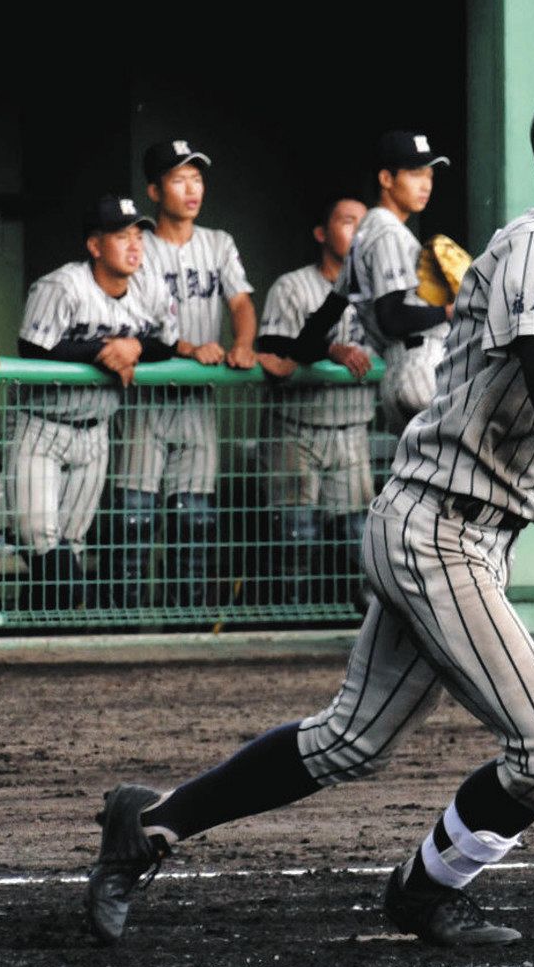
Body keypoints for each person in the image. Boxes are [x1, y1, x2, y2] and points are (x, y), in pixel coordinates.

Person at [83, 69, 534, 949]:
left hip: (475, 533)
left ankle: (149, 824)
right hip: (434, 525)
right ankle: (427, 889)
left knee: (349, 743)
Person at [7, 195, 176, 612]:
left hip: (96, 430)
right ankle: (69, 615)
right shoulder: (63, 285)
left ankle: (45, 638)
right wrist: (102, 350)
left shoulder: (150, 287)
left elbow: (167, 342)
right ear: (95, 246)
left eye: (139, 235)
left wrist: (133, 345)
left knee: (72, 546)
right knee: (42, 540)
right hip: (42, 426)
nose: (135, 245)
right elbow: (32, 347)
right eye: (122, 236)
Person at [113, 140, 257, 610]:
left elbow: (239, 302)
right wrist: (189, 348)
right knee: (133, 521)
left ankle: (186, 622)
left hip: (197, 403)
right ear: (155, 190)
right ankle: (125, 620)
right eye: (179, 179)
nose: (191, 188)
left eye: (196, 178)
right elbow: (133, 318)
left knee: (193, 521)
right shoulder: (140, 245)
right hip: (145, 403)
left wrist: (242, 344)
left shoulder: (219, 243)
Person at [254, 196, 377, 608]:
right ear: (322, 233)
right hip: (296, 428)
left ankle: (357, 631)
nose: (357, 232)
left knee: (357, 541)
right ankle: (291, 624)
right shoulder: (292, 287)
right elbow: (272, 347)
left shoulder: (380, 294)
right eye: (346, 222)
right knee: (294, 538)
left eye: (363, 224)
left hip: (352, 428)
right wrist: (331, 350)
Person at [343, 130, 453, 435]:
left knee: (421, 478)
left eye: (429, 175)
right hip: (419, 366)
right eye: (415, 174)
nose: (425, 185)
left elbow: (329, 309)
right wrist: (448, 311)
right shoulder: (387, 231)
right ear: (386, 179)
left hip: (401, 369)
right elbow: (392, 318)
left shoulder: (364, 233)